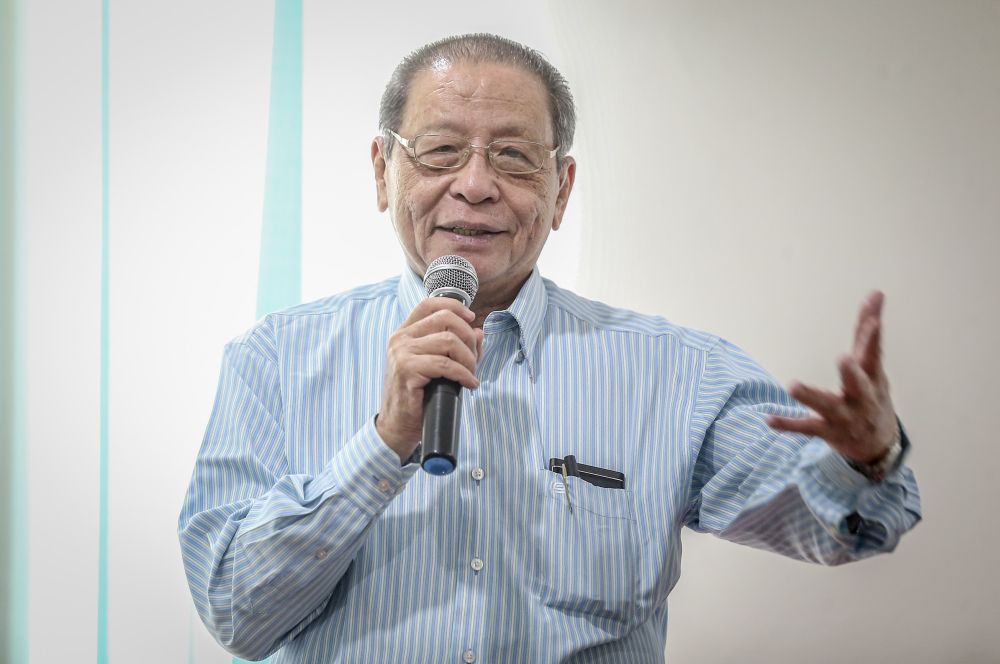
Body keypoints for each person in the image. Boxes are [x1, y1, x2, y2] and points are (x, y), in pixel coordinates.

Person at [178, 33, 921, 663]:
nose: (474, 185)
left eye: (513, 157)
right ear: (383, 170)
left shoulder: (673, 373)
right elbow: (237, 612)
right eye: (440, 152)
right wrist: (381, 447)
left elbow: (854, 524)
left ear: (561, 190)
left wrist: (867, 458)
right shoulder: (273, 360)